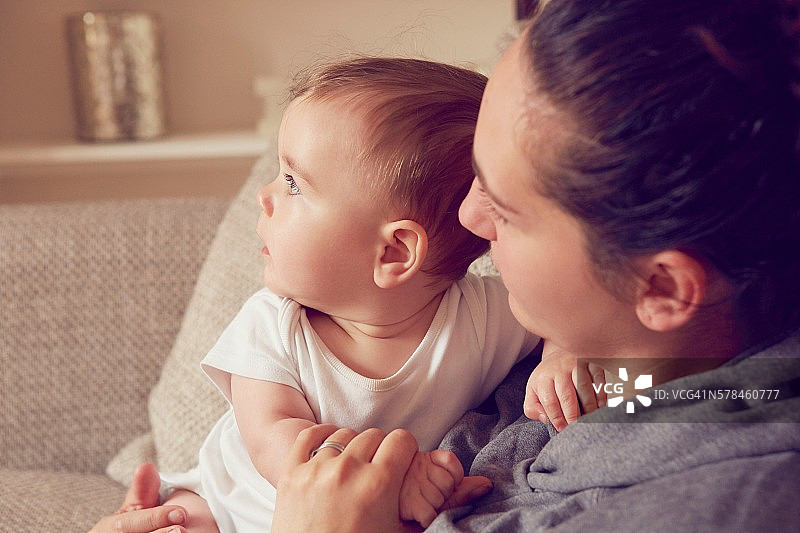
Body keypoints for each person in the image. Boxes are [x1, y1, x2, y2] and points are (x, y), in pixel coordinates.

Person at [92, 0, 800, 531]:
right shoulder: (616, 359)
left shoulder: (724, 493)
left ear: (662, 287)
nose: (465, 224)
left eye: (504, 208)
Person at [149, 57, 542, 533]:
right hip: (226, 505)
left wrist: (564, 356)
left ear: (393, 252)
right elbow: (278, 446)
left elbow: (560, 322)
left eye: (293, 183)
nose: (264, 195)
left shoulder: (481, 316)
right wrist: (398, 479)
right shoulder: (272, 327)